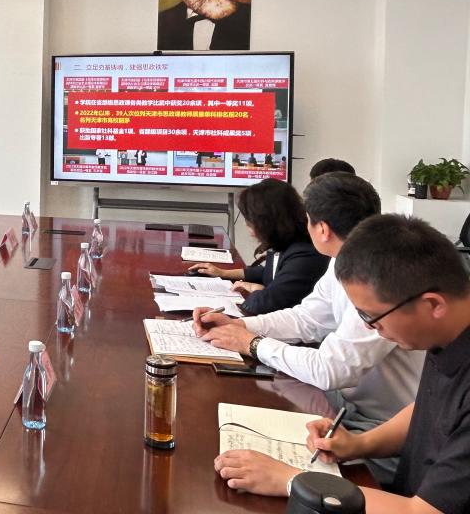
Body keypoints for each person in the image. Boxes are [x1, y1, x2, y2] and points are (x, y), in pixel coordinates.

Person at [214, 215, 470, 514]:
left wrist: (291, 480)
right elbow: (427, 409)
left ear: (433, 305)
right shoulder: (447, 333)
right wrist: (359, 444)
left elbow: (422, 511)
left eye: (370, 316)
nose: (369, 328)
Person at [192, 173, 424, 483]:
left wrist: (253, 343)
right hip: (345, 405)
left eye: (308, 221)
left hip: (384, 428)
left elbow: (331, 369)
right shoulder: (343, 260)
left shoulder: (381, 277)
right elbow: (307, 319)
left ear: (322, 229)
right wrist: (240, 324)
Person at [189, 179, 329, 315]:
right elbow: (269, 272)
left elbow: (263, 304)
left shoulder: (305, 254)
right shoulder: (287, 241)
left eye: (250, 221)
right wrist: (223, 273)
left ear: (266, 222)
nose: (246, 225)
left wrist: (256, 289)